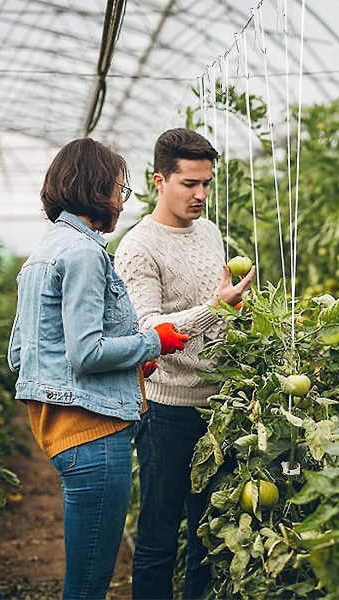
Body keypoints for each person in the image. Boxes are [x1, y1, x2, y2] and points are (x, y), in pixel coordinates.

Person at [7, 138, 189, 600]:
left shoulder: (44, 252)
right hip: (94, 434)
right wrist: (156, 340)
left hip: (62, 431)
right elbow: (85, 353)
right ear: (95, 189)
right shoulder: (85, 254)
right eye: (119, 189)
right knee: (89, 582)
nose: (122, 202)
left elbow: (22, 355)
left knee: (86, 576)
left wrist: (131, 363)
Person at [114, 128, 255, 600]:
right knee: (157, 536)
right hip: (166, 410)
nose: (200, 195)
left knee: (207, 534)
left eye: (206, 183)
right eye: (189, 183)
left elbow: (214, 310)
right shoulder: (138, 247)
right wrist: (216, 308)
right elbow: (147, 331)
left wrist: (242, 317)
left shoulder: (211, 233)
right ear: (159, 180)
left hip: (220, 407)